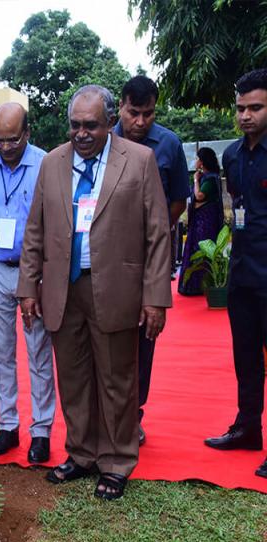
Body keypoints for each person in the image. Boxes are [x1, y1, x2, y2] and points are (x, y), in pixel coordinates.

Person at [17, 85, 171, 501]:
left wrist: (155, 297)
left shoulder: (138, 161)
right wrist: (28, 286)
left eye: (90, 125)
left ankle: (118, 460)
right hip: (63, 290)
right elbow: (35, 230)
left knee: (117, 379)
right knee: (74, 376)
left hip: (117, 288)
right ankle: (82, 453)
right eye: (74, 125)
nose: (80, 134)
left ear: (109, 123)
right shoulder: (52, 163)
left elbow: (159, 234)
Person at [0, 103, 56, 463]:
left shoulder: (46, 166)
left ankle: (42, 430)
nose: (4, 147)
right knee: (0, 352)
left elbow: (54, 226)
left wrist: (38, 277)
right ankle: (8, 425)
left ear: (27, 133)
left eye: (12, 140)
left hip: (33, 271)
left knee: (38, 351)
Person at [114, 76, 190, 445]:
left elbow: (179, 198)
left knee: (145, 335)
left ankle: (134, 415)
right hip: (106, 256)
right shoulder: (102, 140)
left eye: (148, 114)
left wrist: (156, 229)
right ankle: (107, 414)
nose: (140, 122)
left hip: (149, 258)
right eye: (133, 113)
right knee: (107, 335)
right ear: (120, 108)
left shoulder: (170, 144)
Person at [204, 69, 267, 478]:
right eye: (241, 108)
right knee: (245, 357)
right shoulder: (231, 155)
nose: (245, 115)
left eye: (256, 107)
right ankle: (247, 428)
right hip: (242, 274)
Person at [178, 147, 225, 296]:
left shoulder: (210, 178)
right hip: (201, 218)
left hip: (204, 220)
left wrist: (196, 180)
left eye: (198, 158)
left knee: (199, 248)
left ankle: (197, 285)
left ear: (203, 162)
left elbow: (199, 196)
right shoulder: (209, 176)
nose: (196, 161)